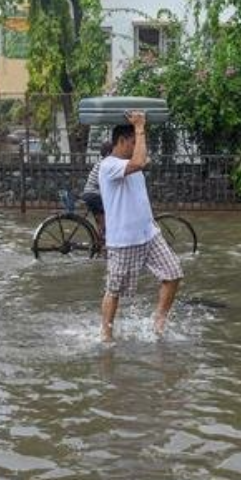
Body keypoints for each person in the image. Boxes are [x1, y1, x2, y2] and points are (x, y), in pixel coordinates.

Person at [99, 112, 183, 342]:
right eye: (134, 142)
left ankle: (159, 321)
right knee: (114, 290)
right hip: (124, 240)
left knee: (173, 273)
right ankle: (106, 333)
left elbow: (140, 162)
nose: (137, 146)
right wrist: (139, 126)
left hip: (149, 235)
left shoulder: (131, 164)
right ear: (123, 141)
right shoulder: (109, 165)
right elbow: (139, 161)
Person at [81, 140, 114, 239]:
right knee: (108, 217)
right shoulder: (105, 164)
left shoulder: (101, 162)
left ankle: (100, 241)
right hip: (94, 194)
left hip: (90, 193)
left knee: (101, 219)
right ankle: (105, 238)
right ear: (108, 153)